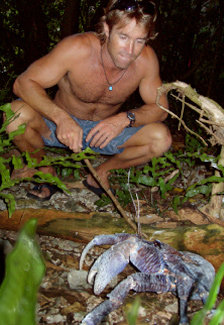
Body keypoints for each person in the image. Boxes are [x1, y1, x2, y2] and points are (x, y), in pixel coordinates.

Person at [7, 0, 172, 200]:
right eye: (123, 36)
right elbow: (23, 83)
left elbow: (161, 108)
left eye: (140, 40)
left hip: (103, 132)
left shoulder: (146, 61)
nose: (130, 50)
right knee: (14, 115)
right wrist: (61, 118)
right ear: (107, 29)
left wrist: (123, 119)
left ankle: (100, 174)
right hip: (57, 128)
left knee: (160, 139)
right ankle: (45, 172)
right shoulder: (77, 48)